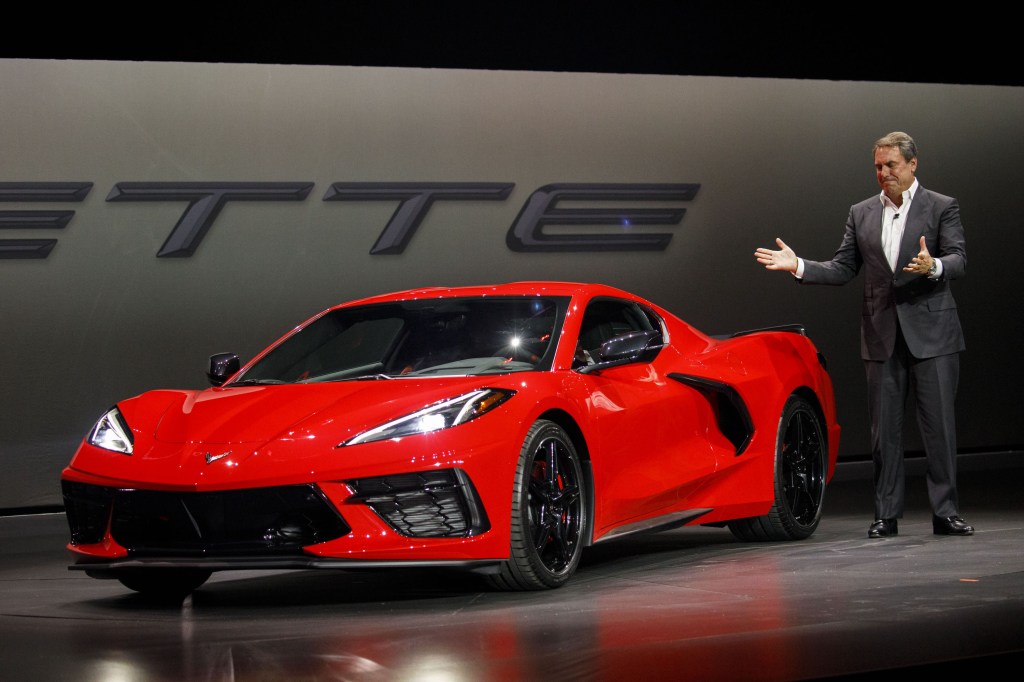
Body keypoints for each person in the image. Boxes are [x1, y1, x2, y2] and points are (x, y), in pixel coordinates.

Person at [754, 131, 973, 539]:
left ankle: (946, 512)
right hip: (881, 335)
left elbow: (959, 258)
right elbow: (842, 267)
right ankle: (885, 515)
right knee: (883, 431)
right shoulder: (861, 212)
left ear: (912, 164)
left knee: (939, 428)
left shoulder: (942, 206)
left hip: (934, 335)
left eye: (891, 165)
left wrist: (935, 266)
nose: (883, 173)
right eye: (877, 166)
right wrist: (798, 265)